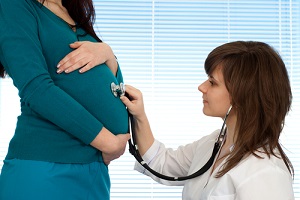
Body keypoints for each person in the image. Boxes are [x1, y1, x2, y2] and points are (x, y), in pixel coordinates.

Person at [120, 41, 295, 200]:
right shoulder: (214, 142)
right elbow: (161, 163)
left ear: (243, 95)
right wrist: (139, 116)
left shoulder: (266, 173)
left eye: (212, 82)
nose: (201, 87)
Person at [0, 0, 130, 199]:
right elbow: (36, 89)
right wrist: (109, 143)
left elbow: (114, 88)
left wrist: (108, 55)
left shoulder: (72, 12)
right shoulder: (15, 5)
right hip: (44, 167)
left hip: (94, 171)